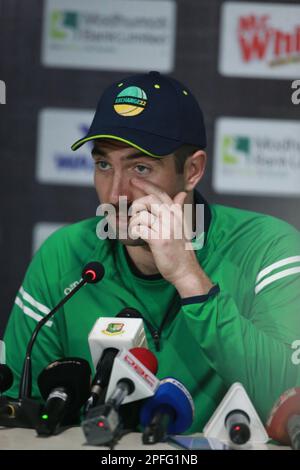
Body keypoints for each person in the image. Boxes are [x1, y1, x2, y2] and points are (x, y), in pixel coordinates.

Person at [3, 71, 300, 432]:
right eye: (103, 165)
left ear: (192, 171)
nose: (115, 195)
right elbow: (17, 410)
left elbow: (289, 395)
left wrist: (190, 279)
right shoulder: (64, 255)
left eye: (140, 167)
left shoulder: (267, 248)